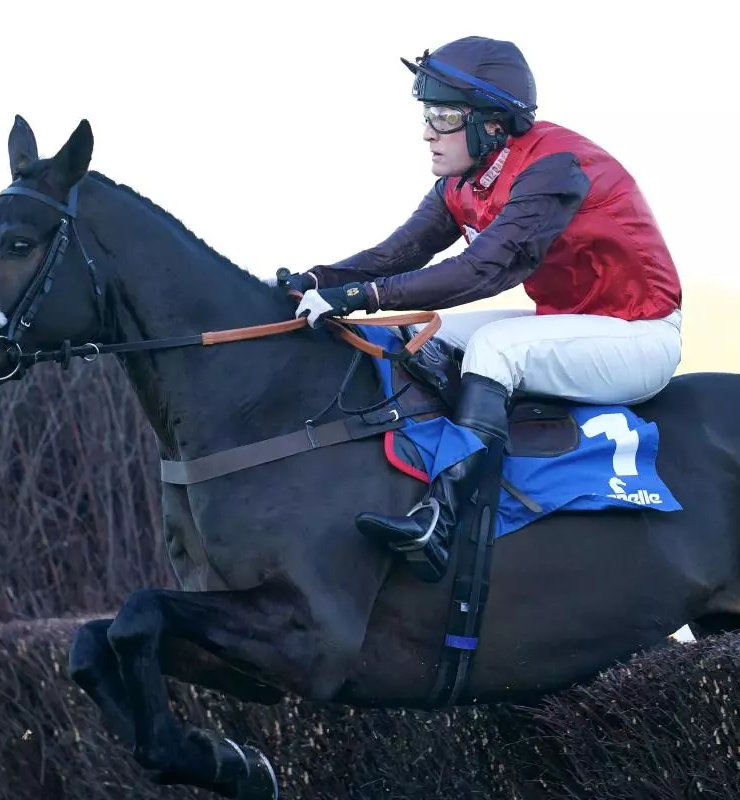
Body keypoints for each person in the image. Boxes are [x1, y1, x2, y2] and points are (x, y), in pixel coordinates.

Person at [281, 36, 683, 582]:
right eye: (427, 113)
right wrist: (316, 280)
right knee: (420, 337)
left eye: (444, 116)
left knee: (493, 349)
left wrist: (362, 297)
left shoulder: (554, 168)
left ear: (494, 123)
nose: (427, 130)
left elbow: (486, 270)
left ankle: (441, 521)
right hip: (571, 324)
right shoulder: (463, 178)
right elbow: (398, 252)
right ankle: (408, 476)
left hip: (637, 334)